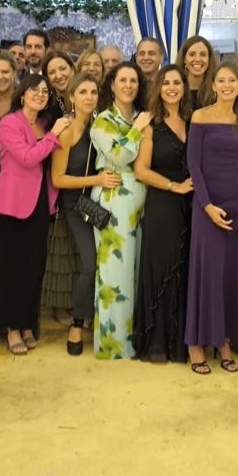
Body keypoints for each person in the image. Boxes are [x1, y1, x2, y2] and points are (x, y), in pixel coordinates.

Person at [186, 62, 238, 374]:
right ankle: (195, 344)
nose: (227, 85)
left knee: (231, 276)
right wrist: (206, 207)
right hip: (208, 208)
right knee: (206, 275)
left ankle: (223, 341)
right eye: (221, 80)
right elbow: (195, 167)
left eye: (233, 80)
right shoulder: (200, 117)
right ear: (212, 86)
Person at [0, 74, 69, 354]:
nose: (40, 94)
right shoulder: (10, 122)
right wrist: (54, 135)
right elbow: (26, 158)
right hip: (11, 204)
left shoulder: (44, 123)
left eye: (45, 91)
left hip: (39, 203)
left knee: (33, 268)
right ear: (22, 93)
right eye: (34, 89)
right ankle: (12, 328)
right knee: (11, 268)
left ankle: (27, 324)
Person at [132, 64, 195, 362]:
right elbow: (141, 170)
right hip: (162, 203)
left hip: (191, 207)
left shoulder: (194, 122)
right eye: (166, 82)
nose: (171, 87)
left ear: (184, 88)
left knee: (184, 271)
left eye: (177, 82)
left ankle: (179, 343)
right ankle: (156, 343)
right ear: (158, 88)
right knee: (161, 268)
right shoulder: (150, 125)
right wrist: (174, 186)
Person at [90, 62, 151, 359]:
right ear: (111, 85)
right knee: (115, 272)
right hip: (114, 196)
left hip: (141, 195)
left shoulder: (143, 116)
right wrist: (138, 131)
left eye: (134, 81)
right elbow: (119, 154)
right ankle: (113, 346)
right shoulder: (103, 120)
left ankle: (135, 338)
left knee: (136, 270)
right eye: (122, 80)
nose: (128, 85)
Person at [51, 73, 115, 356]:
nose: (89, 97)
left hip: (101, 202)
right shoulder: (66, 130)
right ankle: (77, 323)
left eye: (93, 91)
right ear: (72, 97)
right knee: (90, 263)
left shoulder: (101, 126)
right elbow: (58, 179)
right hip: (76, 204)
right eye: (83, 92)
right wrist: (96, 182)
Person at [39, 50, 79, 320]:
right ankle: (60, 304)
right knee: (59, 248)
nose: (58, 75)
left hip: (83, 179)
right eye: (52, 72)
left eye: (62, 68)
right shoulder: (48, 107)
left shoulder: (84, 97)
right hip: (56, 180)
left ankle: (78, 301)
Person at [178, 35, 217, 109]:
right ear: (184, 59)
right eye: (192, 54)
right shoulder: (174, 91)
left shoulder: (217, 91)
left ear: (209, 60)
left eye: (203, 54)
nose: (198, 59)